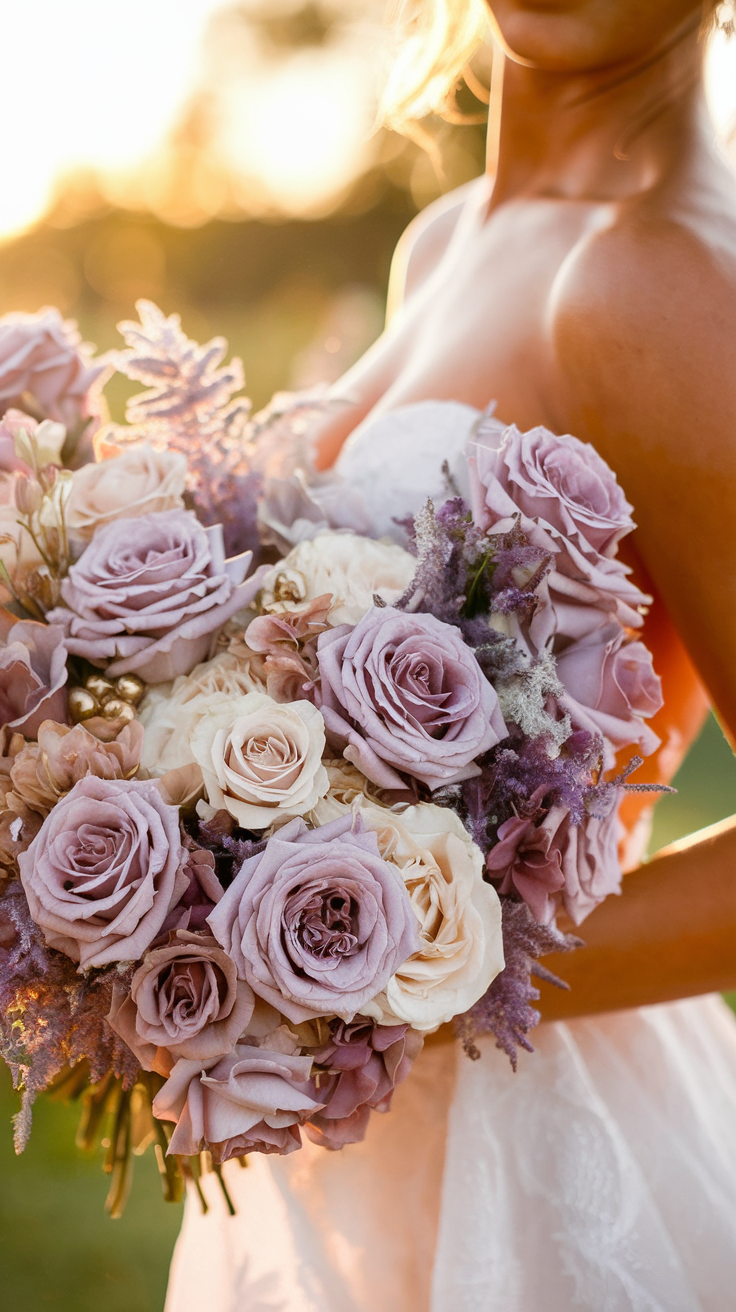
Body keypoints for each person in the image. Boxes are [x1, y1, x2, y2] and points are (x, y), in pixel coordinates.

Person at [165, 3, 736, 1308]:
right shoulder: (440, 243)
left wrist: (376, 978)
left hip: (535, 1145)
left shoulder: (657, 278)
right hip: (346, 1156)